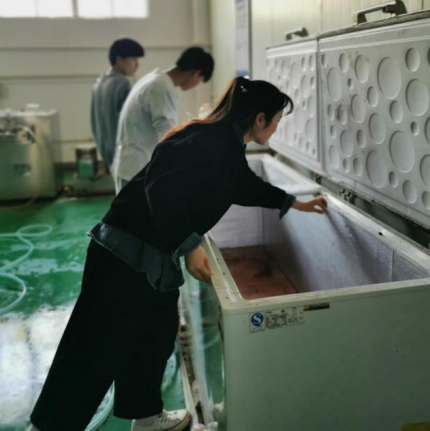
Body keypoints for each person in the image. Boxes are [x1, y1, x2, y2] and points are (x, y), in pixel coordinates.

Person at [28, 77, 328, 431]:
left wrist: (293, 202)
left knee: (154, 334)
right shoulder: (206, 139)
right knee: (95, 346)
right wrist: (190, 245)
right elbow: (161, 188)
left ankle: (146, 416)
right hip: (125, 251)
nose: (277, 128)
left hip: (153, 255)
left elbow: (244, 185)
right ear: (260, 118)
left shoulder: (228, 146)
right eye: (277, 120)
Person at [111, 46, 214, 191]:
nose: (196, 85)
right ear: (196, 73)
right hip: (136, 169)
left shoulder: (155, 78)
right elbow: (167, 135)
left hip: (131, 165)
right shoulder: (162, 87)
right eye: (200, 80)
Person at [91, 38, 145, 171]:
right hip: (124, 156)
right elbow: (133, 122)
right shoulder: (123, 83)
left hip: (106, 153)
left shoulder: (98, 84)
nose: (137, 64)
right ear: (119, 59)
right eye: (133, 59)